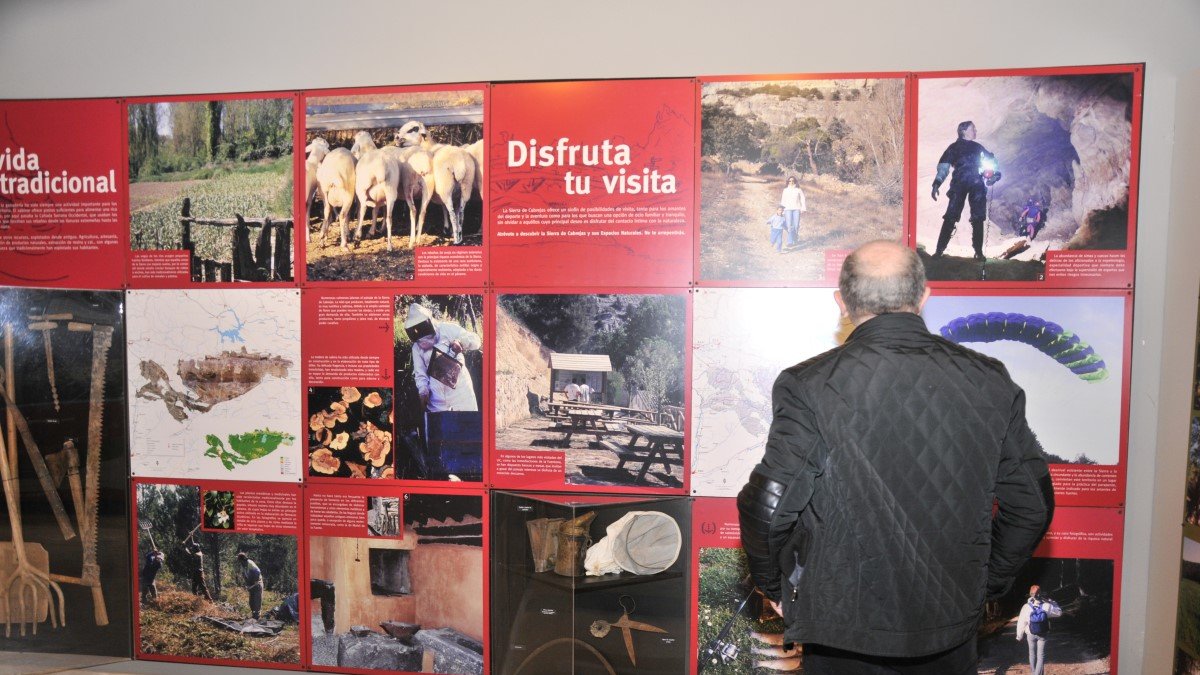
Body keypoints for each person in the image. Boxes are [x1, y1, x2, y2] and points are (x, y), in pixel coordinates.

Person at [737, 240, 1053, 674]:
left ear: (842, 303)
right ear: (923, 298)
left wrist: (776, 585)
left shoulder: (808, 384)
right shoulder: (990, 380)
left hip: (842, 631)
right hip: (949, 629)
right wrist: (986, 584)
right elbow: (1032, 506)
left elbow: (768, 505)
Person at [931, 121, 1002, 261]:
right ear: (964, 131)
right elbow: (944, 167)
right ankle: (939, 250)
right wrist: (937, 183)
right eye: (972, 128)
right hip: (961, 184)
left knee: (978, 217)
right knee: (951, 215)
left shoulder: (977, 147)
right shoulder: (954, 148)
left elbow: (992, 162)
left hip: (974, 184)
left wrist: (994, 174)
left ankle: (978, 252)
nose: (975, 130)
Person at [403, 303, 481, 412]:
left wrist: (461, 343)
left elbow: (476, 341)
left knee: (466, 426)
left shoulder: (448, 329)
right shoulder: (416, 348)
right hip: (436, 400)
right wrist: (423, 392)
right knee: (441, 428)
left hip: (461, 392)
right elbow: (420, 374)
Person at [1016, 584, 1062, 675]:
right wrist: (1052, 602)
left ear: (1030, 594)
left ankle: (1034, 673)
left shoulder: (1026, 607)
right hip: (1043, 634)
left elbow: (1021, 622)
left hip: (1030, 633)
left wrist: (1019, 635)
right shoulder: (1046, 605)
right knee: (1041, 656)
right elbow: (1059, 613)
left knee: (1032, 654)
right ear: (1041, 593)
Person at [780, 176, 807, 247]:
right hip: (787, 209)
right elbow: (783, 200)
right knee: (789, 226)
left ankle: (795, 239)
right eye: (790, 181)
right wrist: (782, 211)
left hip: (796, 209)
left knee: (796, 225)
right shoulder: (785, 190)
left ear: (795, 181)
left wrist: (803, 208)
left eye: (792, 181)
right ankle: (790, 241)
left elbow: (802, 198)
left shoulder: (798, 189)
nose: (791, 182)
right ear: (788, 182)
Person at [184, 535, 213, 601]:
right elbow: (193, 544)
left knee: (203, 587)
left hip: (199, 573)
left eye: (193, 548)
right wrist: (191, 537)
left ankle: (209, 600)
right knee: (194, 588)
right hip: (195, 573)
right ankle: (196, 600)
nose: (192, 549)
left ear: (196, 549)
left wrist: (185, 547)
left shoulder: (198, 554)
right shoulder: (196, 552)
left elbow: (190, 554)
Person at [238, 552, 263, 620]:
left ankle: (257, 616)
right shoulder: (243, 565)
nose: (240, 562)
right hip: (251, 584)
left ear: (243, 559)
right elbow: (244, 575)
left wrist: (254, 582)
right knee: (251, 601)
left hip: (257, 583)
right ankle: (253, 614)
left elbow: (257, 572)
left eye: (240, 561)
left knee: (257, 600)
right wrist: (247, 584)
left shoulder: (249, 563)